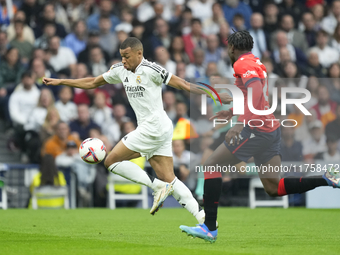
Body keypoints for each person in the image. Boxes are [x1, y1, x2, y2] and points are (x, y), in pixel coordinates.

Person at [43, 37, 232, 225]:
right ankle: (204, 218)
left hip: (154, 127)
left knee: (110, 160)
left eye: (126, 56)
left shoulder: (152, 70)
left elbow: (184, 84)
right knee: (170, 178)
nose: (123, 60)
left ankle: (156, 185)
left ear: (139, 53)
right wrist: (61, 82)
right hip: (156, 129)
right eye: (121, 56)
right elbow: (93, 82)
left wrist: (214, 94)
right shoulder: (120, 70)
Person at [179, 30, 340, 243]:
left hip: (256, 130)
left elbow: (254, 93)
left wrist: (241, 123)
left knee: (210, 166)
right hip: (270, 129)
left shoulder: (241, 64)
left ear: (232, 48)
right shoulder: (256, 62)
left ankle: (209, 228)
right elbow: (253, 97)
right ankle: (327, 179)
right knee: (274, 187)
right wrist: (233, 112)